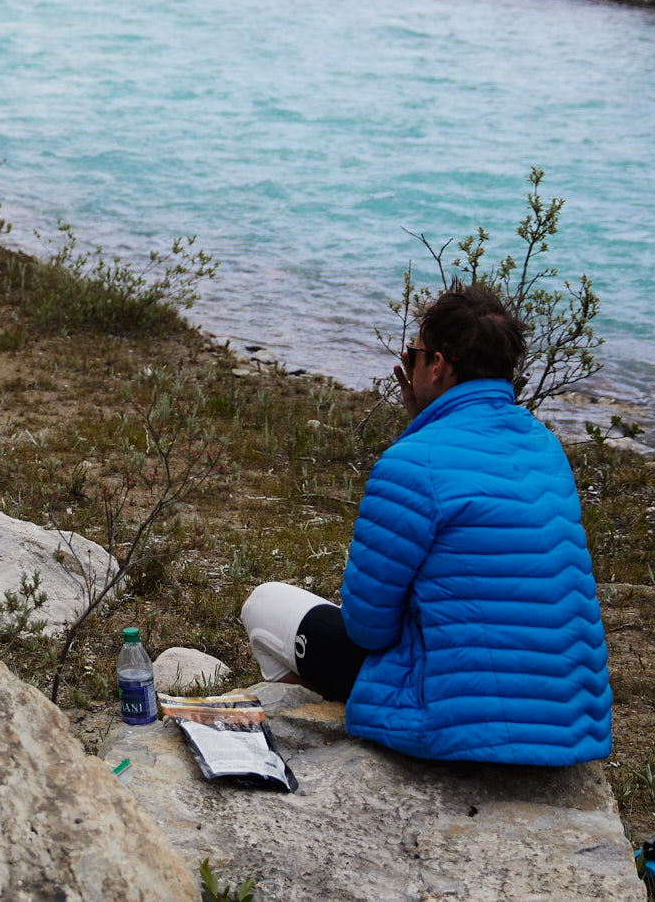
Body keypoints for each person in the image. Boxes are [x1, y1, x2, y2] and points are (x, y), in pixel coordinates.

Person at [239, 284, 612, 766]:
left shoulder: (414, 463)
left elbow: (367, 629)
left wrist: (416, 437)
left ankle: (313, 751)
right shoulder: (546, 448)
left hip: (447, 721)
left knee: (265, 604)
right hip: (568, 727)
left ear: (437, 365)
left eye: (412, 353)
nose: (408, 364)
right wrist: (424, 424)